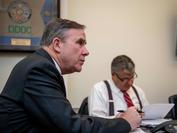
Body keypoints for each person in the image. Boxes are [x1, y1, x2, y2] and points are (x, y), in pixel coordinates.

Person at [0, 19, 141, 133]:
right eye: (80, 43)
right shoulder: (39, 69)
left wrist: (114, 121)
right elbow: (70, 126)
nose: (86, 52)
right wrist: (124, 123)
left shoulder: (39, 64)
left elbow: (67, 118)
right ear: (57, 44)